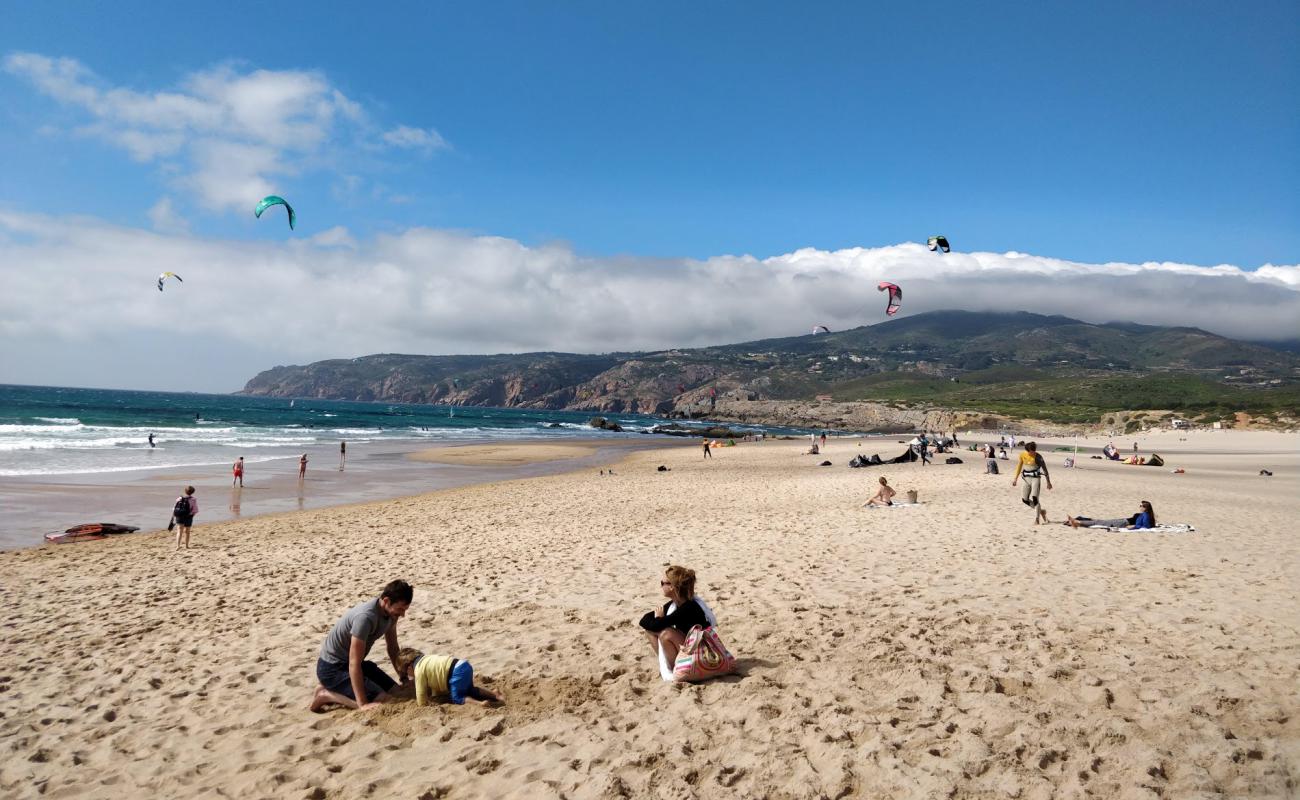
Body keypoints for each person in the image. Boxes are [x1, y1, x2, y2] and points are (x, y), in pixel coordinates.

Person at [310, 580, 413, 712]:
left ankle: (330, 688)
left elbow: (392, 648)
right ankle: (325, 695)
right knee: (383, 702)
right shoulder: (365, 618)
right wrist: (363, 703)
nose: (403, 614)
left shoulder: (391, 614)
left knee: (396, 691)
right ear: (386, 601)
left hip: (352, 665)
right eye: (400, 609)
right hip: (332, 669)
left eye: (405, 610)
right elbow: (354, 662)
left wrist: (403, 678)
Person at [639, 566, 710, 668]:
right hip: (690, 647)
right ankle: (666, 663)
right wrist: (658, 621)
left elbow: (657, 625)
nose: (661, 587)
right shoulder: (675, 604)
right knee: (649, 631)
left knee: (667, 634)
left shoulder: (688, 607)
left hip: (701, 652)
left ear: (672, 586)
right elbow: (644, 619)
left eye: (662, 583)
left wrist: (659, 619)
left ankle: (676, 668)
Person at [395, 647, 502, 706]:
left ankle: (480, 704)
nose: (408, 676)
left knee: (457, 698)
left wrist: (421, 704)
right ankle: (494, 694)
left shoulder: (418, 670)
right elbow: (436, 679)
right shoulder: (427, 659)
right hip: (463, 665)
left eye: (405, 673)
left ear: (409, 667)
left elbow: (421, 693)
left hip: (455, 673)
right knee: (470, 690)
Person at [1011, 442, 1052, 524]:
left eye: (1034, 450)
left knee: (1035, 498)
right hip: (1026, 479)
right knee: (1024, 499)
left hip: (1035, 479)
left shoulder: (1038, 457)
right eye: (1031, 451)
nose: (1033, 452)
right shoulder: (1022, 455)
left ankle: (1037, 519)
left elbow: (1045, 469)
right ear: (1027, 450)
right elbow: (1019, 467)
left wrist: (1048, 482)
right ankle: (1041, 511)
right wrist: (1015, 479)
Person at [1067, 501, 1156, 530]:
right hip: (1123, 520)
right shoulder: (1145, 514)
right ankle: (1077, 522)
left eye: (1141, 506)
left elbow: (1146, 526)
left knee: (1100, 523)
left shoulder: (1146, 515)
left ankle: (1077, 522)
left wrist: (1133, 526)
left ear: (1146, 508)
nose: (1139, 507)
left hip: (1123, 523)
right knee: (1100, 521)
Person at [171, 485, 197, 550]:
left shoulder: (179, 499)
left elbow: (174, 508)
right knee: (187, 532)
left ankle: (178, 546)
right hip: (188, 517)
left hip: (179, 516)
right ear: (193, 492)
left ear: (185, 491)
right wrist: (191, 516)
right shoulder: (193, 500)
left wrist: (175, 515)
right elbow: (195, 510)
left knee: (179, 531)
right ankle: (187, 546)